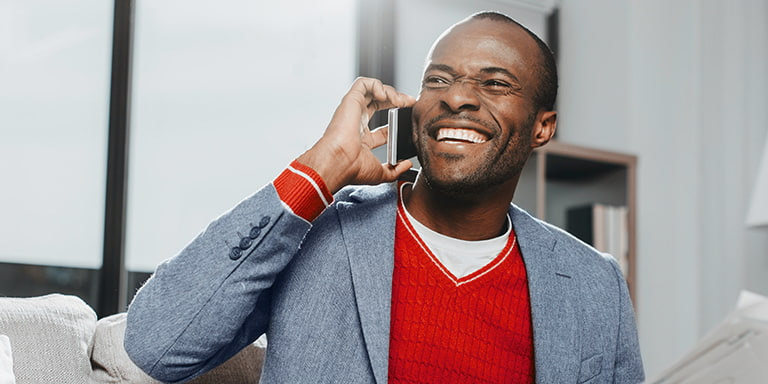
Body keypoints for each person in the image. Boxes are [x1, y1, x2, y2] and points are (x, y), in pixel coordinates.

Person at [125, 11, 644, 384]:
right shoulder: (318, 236)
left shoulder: (595, 285)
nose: (458, 96)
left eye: (495, 82)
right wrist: (321, 169)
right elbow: (156, 345)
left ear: (542, 127)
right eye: (438, 78)